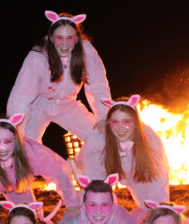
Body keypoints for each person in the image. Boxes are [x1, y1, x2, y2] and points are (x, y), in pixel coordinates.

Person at [6, 10, 111, 142]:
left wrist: (103, 117)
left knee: (100, 138)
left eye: (70, 38)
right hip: (40, 105)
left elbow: (98, 85)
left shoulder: (86, 52)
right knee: (26, 145)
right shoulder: (38, 56)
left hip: (68, 105)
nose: (65, 44)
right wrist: (17, 129)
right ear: (51, 38)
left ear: (76, 38)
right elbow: (22, 95)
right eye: (59, 38)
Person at [73, 94, 170, 209]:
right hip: (107, 169)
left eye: (126, 122)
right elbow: (93, 179)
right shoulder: (99, 140)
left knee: (151, 208)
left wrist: (160, 211)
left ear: (135, 123)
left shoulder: (149, 141)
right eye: (115, 122)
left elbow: (157, 180)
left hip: (140, 173)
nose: (120, 128)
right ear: (108, 123)